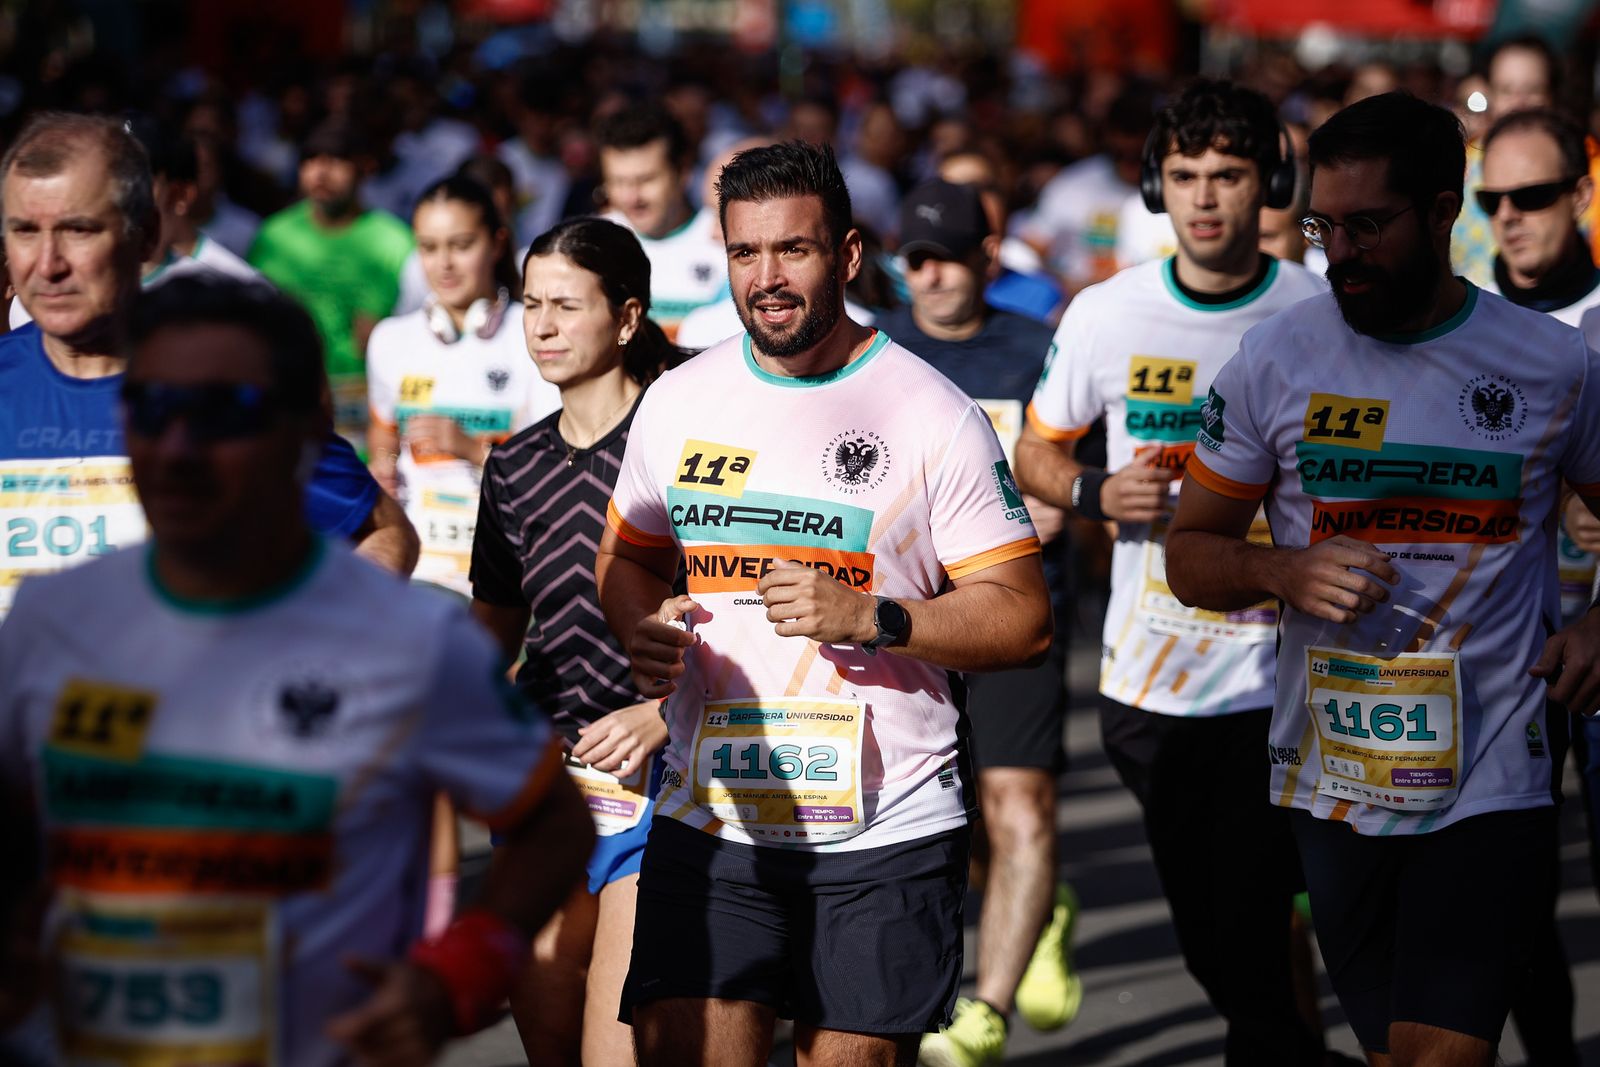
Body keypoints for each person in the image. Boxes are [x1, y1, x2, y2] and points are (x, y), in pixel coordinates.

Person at [0, 273, 594, 1066]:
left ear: (303, 433)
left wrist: (459, 969)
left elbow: (555, 823)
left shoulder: (413, 639)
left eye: (220, 415)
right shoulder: (49, 621)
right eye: (150, 409)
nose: (177, 448)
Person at [1165, 90, 1600, 1067]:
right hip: (1333, 777)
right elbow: (1190, 552)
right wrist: (1278, 566)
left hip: (1492, 773)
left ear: (1444, 212)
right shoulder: (1275, 360)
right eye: (1326, 225)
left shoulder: (1551, 362)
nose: (1341, 251)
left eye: (1369, 225)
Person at [598, 140, 1052, 1067]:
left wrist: (880, 618)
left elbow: (1024, 616)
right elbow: (628, 559)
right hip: (710, 814)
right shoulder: (681, 401)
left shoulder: (933, 413)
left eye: (791, 251)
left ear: (846, 255)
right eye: (743, 253)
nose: (765, 278)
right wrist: (641, 629)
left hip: (884, 832)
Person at [1013, 79, 1328, 1066]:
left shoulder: (1319, 312)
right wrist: (1100, 493)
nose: (1204, 199)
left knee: (1260, 909)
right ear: (1155, 186)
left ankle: (1285, 1047)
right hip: (1148, 679)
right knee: (1212, 923)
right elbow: (1033, 452)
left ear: (1266, 184)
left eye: (1228, 176)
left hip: (1281, 674)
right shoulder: (1108, 312)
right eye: (1185, 176)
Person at [0, 110, 418, 629]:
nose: (48, 265)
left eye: (78, 230)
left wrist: (315, 655)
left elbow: (383, 533)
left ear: (146, 232)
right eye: (24, 232)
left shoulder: (226, 384)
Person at [871, 179, 1080, 1067]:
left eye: (948, 256)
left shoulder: (1037, 351)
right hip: (900, 622)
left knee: (1016, 800)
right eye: (913, 259)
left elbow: (1061, 499)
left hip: (1012, 612)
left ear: (988, 258)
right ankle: (1033, 903)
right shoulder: (876, 355)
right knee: (947, 822)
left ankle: (986, 1010)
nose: (930, 274)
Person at [472, 216, 683, 1066]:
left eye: (567, 304)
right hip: (550, 786)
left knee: (614, 1051)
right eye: (530, 304)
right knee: (547, 1032)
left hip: (665, 780)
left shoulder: (681, 446)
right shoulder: (514, 465)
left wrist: (661, 711)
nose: (544, 326)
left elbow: (743, 610)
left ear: (627, 318)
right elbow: (493, 629)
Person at [367, 175, 560, 598]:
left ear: (496, 243)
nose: (444, 264)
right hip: (418, 564)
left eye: (461, 244)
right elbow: (383, 429)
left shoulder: (534, 334)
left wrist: (469, 447)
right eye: (429, 247)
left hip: (508, 564)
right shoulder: (390, 339)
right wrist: (381, 463)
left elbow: (555, 468)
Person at [249, 118, 416, 455]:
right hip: (288, 404)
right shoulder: (274, 237)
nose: (320, 172)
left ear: (366, 168)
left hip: (369, 415)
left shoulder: (394, 242)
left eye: (336, 160)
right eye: (311, 160)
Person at [597, 105, 726, 341]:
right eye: (618, 182)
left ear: (683, 171)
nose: (632, 197)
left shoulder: (724, 241)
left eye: (645, 180)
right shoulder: (592, 245)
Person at [1452, 36, 1560, 288]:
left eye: (1532, 90)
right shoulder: (1457, 167)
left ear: (1552, 94)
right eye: (1507, 90)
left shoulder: (1590, 168)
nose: (1519, 103)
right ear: (1491, 93)